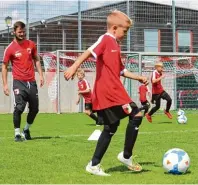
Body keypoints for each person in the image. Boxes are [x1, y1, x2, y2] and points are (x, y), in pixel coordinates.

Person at [64, 10, 148, 176]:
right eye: (125, 31)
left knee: (111, 127)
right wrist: (74, 66)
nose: (126, 34)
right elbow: (89, 51)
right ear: (115, 28)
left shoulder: (116, 45)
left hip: (114, 90)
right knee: (137, 114)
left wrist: (138, 77)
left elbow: (121, 70)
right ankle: (126, 156)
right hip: (109, 92)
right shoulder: (106, 39)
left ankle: (94, 165)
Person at [2, 21, 44, 142]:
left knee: (35, 109)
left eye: (24, 31)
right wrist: (5, 84)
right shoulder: (9, 49)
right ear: (14, 32)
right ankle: (17, 133)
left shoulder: (31, 44)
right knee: (19, 107)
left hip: (31, 82)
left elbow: (36, 60)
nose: (22, 34)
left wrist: (41, 75)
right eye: (20, 32)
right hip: (18, 82)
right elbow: (4, 67)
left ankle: (26, 129)